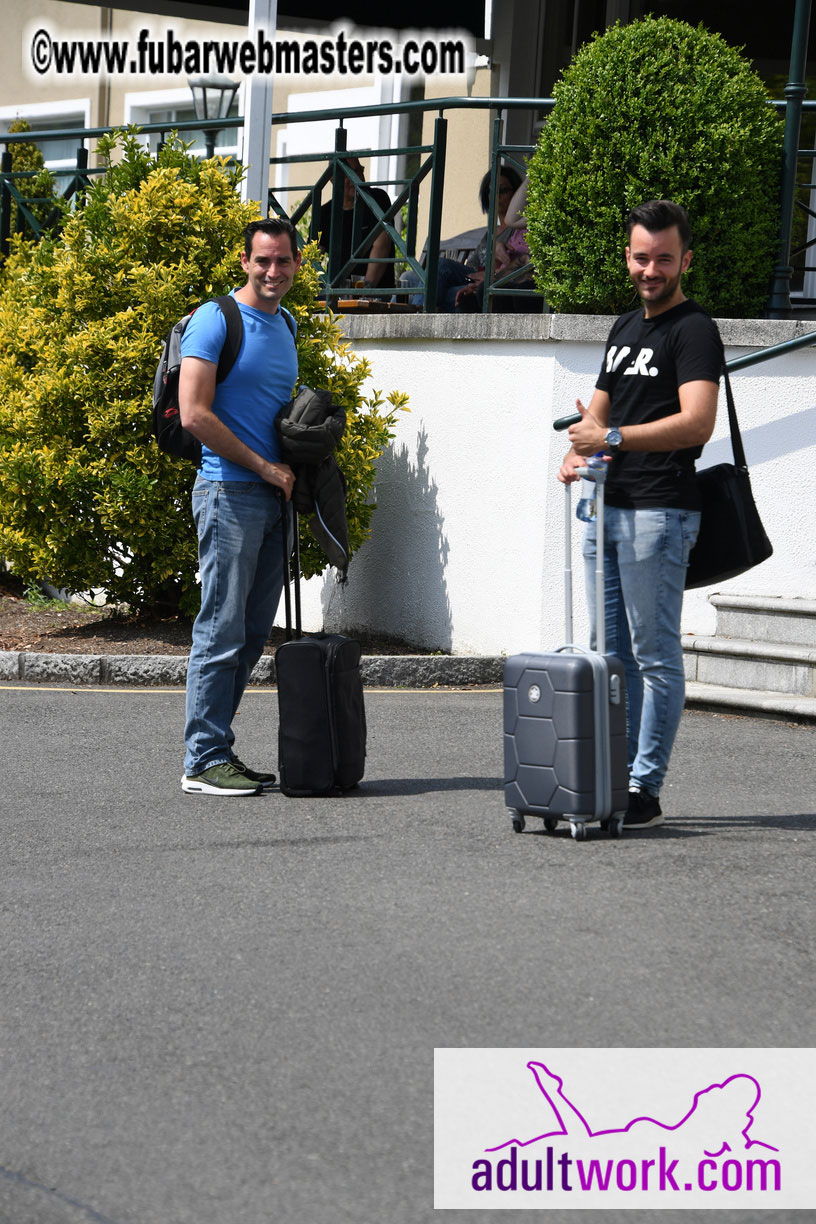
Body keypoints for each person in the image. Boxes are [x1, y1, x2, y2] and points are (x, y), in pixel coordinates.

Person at [558, 200, 723, 830]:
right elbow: (594, 420)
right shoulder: (625, 327)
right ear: (627, 257)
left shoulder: (694, 330)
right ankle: (614, 779)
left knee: (654, 658)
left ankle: (644, 788)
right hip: (605, 509)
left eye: (662, 258)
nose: (650, 269)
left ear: (685, 260)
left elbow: (696, 423)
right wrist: (577, 455)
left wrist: (614, 439)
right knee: (611, 658)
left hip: (659, 513)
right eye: (640, 257)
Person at [178, 217, 300, 796]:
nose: (272, 271)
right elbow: (195, 414)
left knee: (251, 636)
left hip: (273, 497)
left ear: (297, 264)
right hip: (228, 491)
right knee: (221, 631)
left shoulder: (287, 325)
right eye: (262, 261)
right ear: (245, 262)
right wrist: (263, 466)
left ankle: (218, 748)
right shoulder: (214, 319)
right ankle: (201, 760)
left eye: (282, 261)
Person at [318, 155, 394, 291]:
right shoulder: (324, 212)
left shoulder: (377, 198)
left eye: (359, 171)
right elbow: (314, 255)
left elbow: (382, 245)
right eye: (349, 174)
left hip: (375, 293)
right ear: (332, 179)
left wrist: (364, 291)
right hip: (335, 291)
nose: (356, 178)